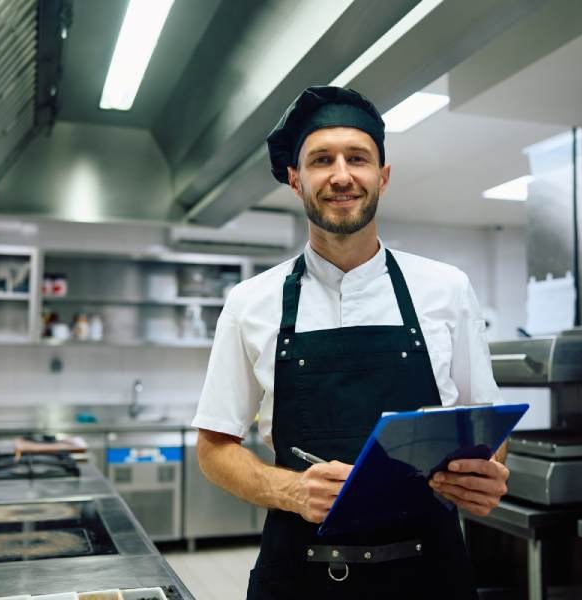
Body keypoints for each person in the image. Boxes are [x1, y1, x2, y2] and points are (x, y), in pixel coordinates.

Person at [192, 86, 509, 599]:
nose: (341, 175)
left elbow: (484, 423)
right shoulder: (251, 301)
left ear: (382, 175)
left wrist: (486, 471)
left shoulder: (446, 288)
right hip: (299, 575)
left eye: (357, 158)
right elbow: (213, 447)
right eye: (321, 160)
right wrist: (291, 489)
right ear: (295, 180)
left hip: (431, 577)